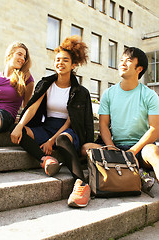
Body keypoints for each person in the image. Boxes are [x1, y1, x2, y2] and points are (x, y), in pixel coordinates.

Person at [10, 36, 94, 208]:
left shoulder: (80, 92)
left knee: (62, 139)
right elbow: (32, 108)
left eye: (65, 60)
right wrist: (19, 126)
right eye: (57, 59)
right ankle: (45, 160)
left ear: (73, 65)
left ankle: (81, 183)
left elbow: (71, 121)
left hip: (67, 132)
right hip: (47, 127)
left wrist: (52, 140)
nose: (60, 63)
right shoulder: (46, 84)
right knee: (20, 130)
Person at [82, 47, 159, 191]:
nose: (122, 63)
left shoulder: (150, 95)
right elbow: (103, 125)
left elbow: (155, 129)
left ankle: (136, 169)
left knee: (153, 152)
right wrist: (110, 147)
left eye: (128, 60)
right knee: (86, 148)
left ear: (139, 69)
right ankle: (136, 173)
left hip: (140, 149)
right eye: (121, 60)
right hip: (114, 148)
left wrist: (133, 151)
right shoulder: (108, 94)